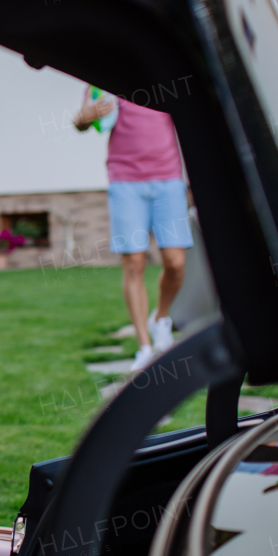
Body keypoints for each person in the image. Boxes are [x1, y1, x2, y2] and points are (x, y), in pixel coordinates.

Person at [73, 90, 192, 370]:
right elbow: (81, 121)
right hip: (125, 183)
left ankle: (160, 318)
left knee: (176, 263)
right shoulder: (102, 77)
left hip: (168, 181)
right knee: (134, 264)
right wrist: (85, 117)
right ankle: (144, 347)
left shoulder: (159, 75)